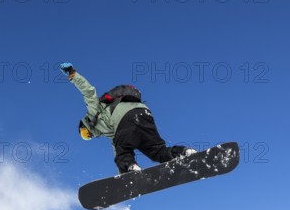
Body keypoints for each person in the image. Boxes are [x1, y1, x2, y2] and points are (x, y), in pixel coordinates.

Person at [60, 62, 196, 173]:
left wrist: (73, 74)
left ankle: (131, 169)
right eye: (86, 137)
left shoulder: (93, 113)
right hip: (144, 114)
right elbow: (116, 148)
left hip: (125, 118)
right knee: (157, 151)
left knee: (123, 152)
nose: (89, 136)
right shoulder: (112, 134)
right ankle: (184, 152)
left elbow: (88, 91)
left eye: (85, 134)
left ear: (85, 125)